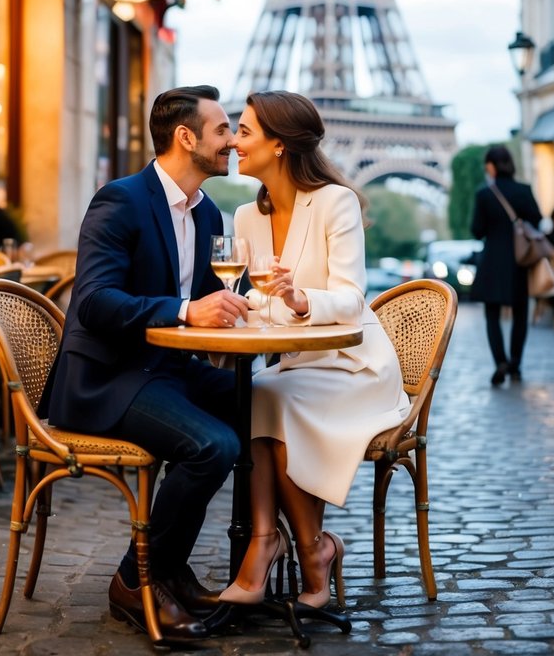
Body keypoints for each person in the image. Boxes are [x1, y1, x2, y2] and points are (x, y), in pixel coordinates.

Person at [40, 85, 248, 642]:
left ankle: (175, 565)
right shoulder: (121, 200)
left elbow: (220, 297)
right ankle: (135, 580)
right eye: (223, 130)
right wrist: (185, 310)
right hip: (111, 377)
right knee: (215, 445)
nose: (233, 142)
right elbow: (94, 302)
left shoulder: (208, 215)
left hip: (167, 371)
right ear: (187, 138)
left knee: (264, 407)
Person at [219, 91, 410, 611]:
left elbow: (350, 301)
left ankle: (303, 547)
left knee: (273, 398)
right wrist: (250, 306)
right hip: (299, 365)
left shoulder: (335, 202)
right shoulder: (244, 217)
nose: (234, 141)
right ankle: (280, 542)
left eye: (244, 131)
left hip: (355, 366)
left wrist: (298, 298)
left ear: (278, 145)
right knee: (257, 393)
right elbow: (253, 305)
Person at [470, 144, 542, 386]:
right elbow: (537, 220)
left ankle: (500, 361)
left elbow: (477, 231)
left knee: (492, 315)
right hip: (518, 260)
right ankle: (516, 364)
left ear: (491, 166)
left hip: (491, 262)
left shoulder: (484, 194)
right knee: (520, 313)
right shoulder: (524, 190)